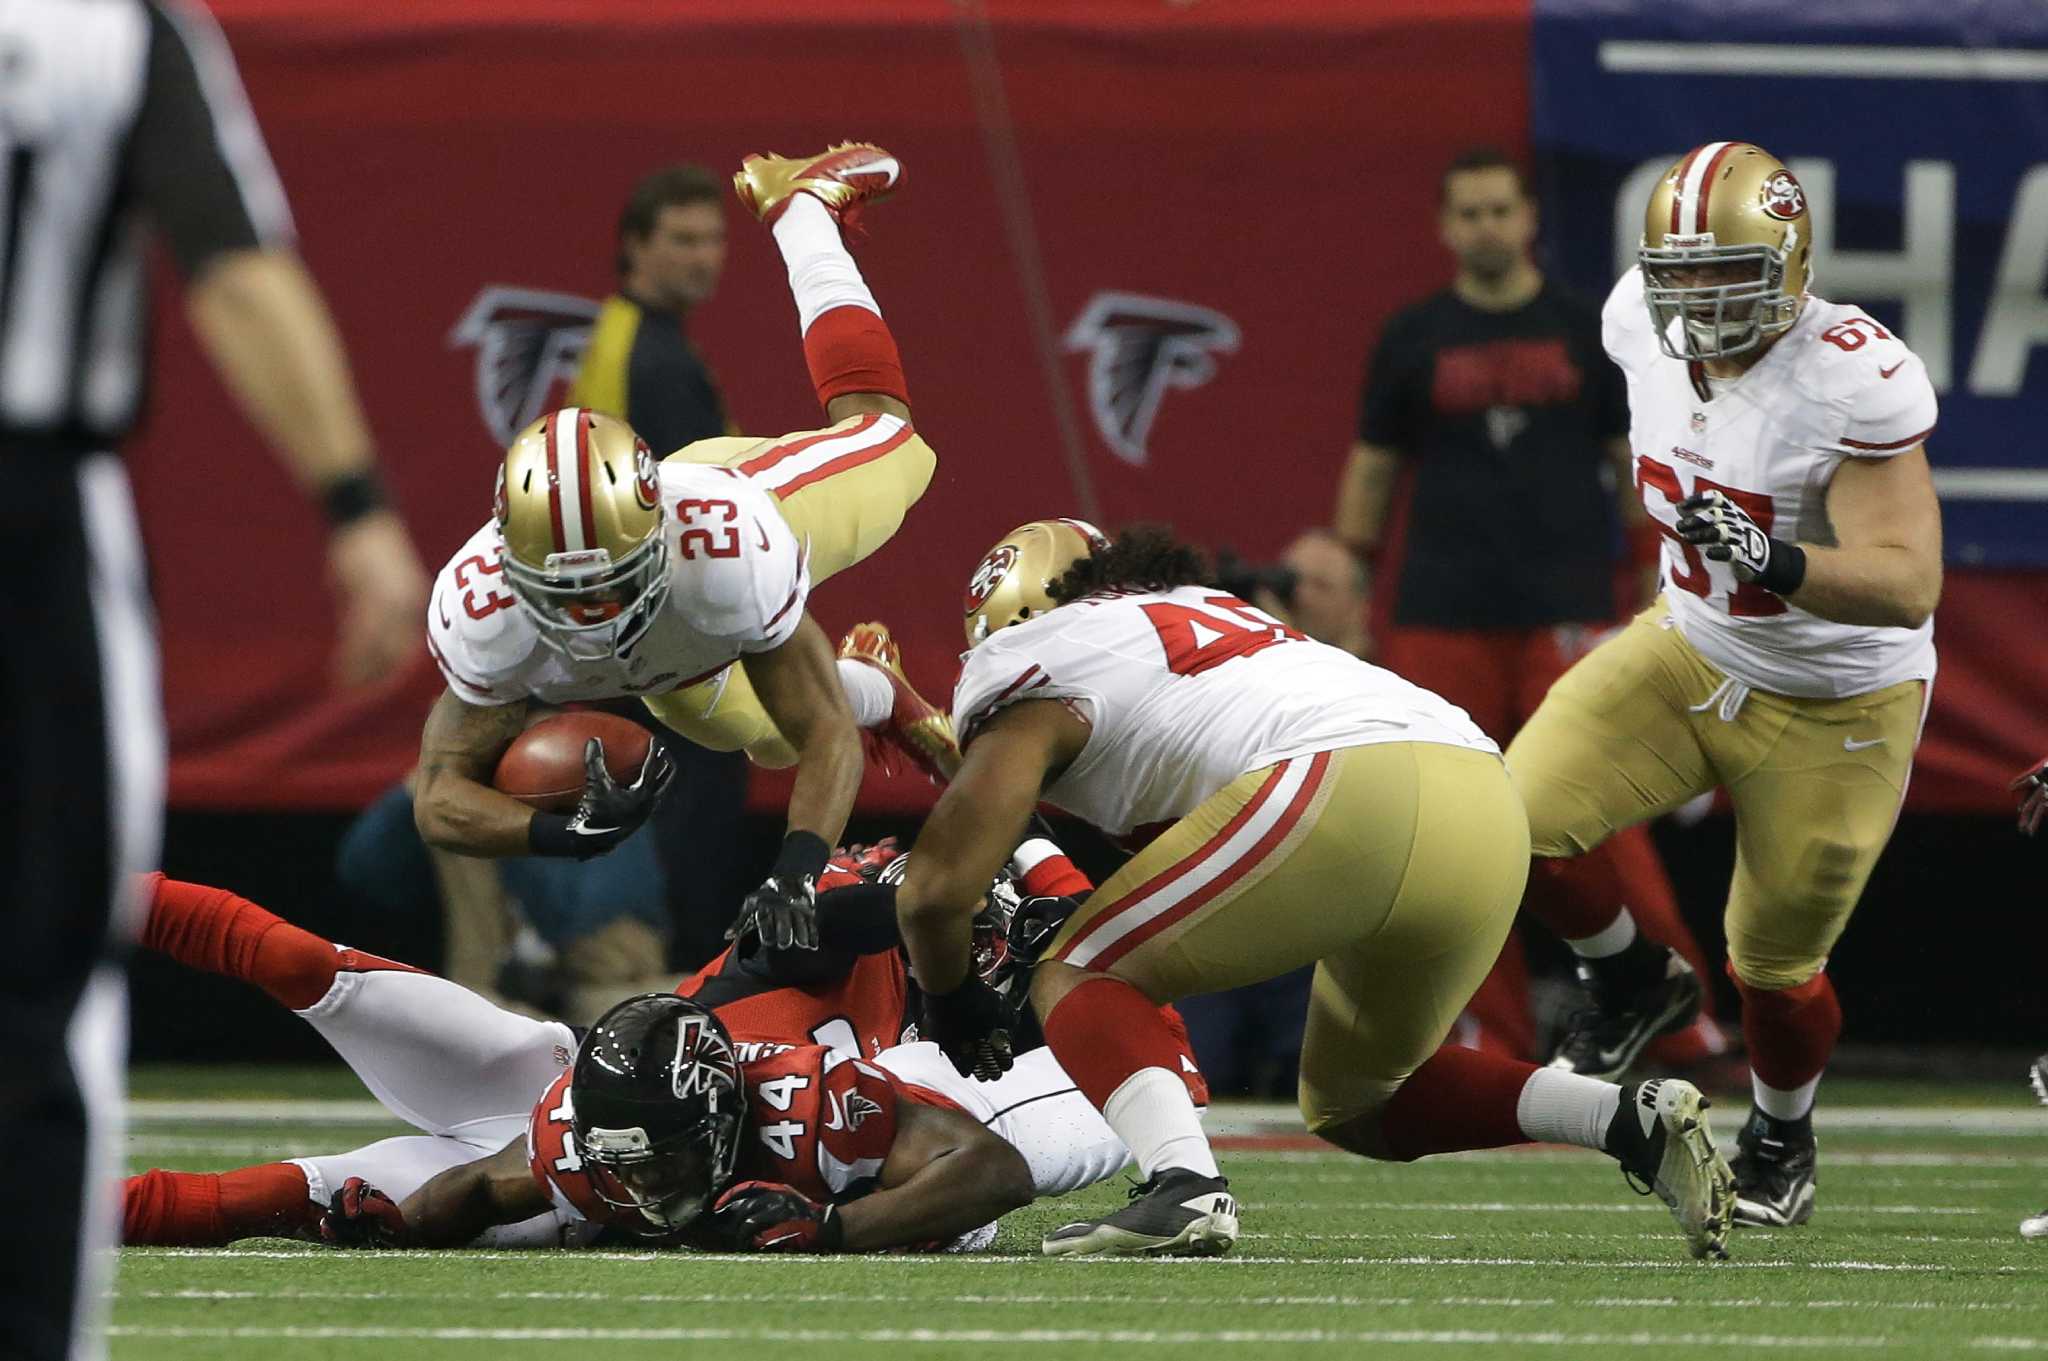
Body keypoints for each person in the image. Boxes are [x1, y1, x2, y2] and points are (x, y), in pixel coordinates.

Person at [893, 520, 1733, 1260]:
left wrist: (949, 999)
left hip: (1346, 786)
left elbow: (937, 887)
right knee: (1363, 1099)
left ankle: (1183, 1184)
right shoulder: (1193, 614)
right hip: (1479, 787)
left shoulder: (1034, 665)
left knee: (1079, 971)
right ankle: (1630, 1122)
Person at [0, 4, 428, 1355]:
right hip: (29, 522)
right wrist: (355, 504)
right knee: (42, 974)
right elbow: (231, 263)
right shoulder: (106, 32)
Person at [1504, 142, 1944, 1229]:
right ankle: (1627, 977)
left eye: (1725, 271)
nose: (1697, 299)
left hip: (1839, 695)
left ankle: (1780, 1131)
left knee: (1774, 967)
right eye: (1679, 273)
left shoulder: (1848, 369)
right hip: (1691, 643)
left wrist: (1772, 556)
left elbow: (1904, 583)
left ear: (1788, 261)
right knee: (1510, 818)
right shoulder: (1628, 324)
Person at [413, 143, 955, 957]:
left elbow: (827, 738)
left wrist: (796, 870)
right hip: (679, 663)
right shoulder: (481, 609)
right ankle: (874, 684)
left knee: (891, 440)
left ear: (656, 534)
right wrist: (559, 832)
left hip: (729, 502)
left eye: (610, 582)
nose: (590, 613)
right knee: (772, 736)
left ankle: (802, 207)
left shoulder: (725, 543)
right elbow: (439, 800)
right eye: (562, 594)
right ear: (507, 564)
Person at [118, 855, 1182, 1253]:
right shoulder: (594, 1146)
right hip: (599, 1079)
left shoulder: (835, 1088)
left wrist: (830, 1227)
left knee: (1092, 1115)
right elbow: (488, 1189)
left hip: (798, 1122)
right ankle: (76, 882)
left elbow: (987, 1164)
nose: (643, 1190)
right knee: (311, 979)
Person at [1334, 146, 1720, 1072]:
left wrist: (1651, 593)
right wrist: (1353, 602)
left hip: (1568, 613)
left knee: (1597, 820)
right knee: (1445, 830)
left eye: (1499, 211)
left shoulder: (1588, 327)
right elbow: (1373, 474)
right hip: (1439, 614)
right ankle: (1480, 1039)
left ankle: (1679, 1018)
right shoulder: (1412, 335)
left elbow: (1638, 467)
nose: (1485, 228)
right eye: (1468, 214)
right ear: (1444, 226)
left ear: (1529, 218)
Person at [568, 164, 751, 969]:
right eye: (682, 238)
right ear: (634, 247)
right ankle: (683, 993)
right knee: (692, 824)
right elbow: (688, 509)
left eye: (713, 238)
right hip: (663, 637)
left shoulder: (628, 336)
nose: (704, 256)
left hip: (630, 631)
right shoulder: (653, 359)